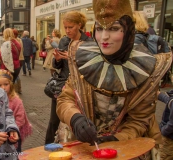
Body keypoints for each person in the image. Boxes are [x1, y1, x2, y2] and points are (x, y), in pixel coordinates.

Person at [56, 0, 172, 159]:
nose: (104, 37)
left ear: (129, 30)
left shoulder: (146, 69)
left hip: (127, 150)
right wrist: (74, 118)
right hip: (85, 148)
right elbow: (65, 98)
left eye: (114, 28)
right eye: (99, 29)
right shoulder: (84, 61)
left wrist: (117, 139)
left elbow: (140, 121)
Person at [45, 11, 92, 144]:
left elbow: (90, 67)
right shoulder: (64, 40)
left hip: (81, 87)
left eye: (70, 27)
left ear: (79, 25)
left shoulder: (88, 42)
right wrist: (58, 59)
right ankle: (47, 148)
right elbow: (56, 65)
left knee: (78, 121)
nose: (67, 30)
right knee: (54, 120)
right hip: (62, 86)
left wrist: (72, 58)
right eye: (65, 27)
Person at [0, 69, 32, 152]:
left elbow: (20, 119)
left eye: (6, 84)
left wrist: (11, 131)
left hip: (13, 135)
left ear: (10, 85)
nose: (3, 88)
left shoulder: (16, 101)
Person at [157, 90, 173, 160]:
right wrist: (160, 95)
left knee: (164, 156)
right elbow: (170, 101)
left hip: (169, 138)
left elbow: (172, 125)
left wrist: (163, 130)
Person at [13, 29, 23, 94]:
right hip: (21, 58)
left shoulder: (14, 41)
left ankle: (15, 91)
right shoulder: (20, 40)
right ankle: (19, 89)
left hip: (16, 59)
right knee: (17, 75)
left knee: (14, 76)